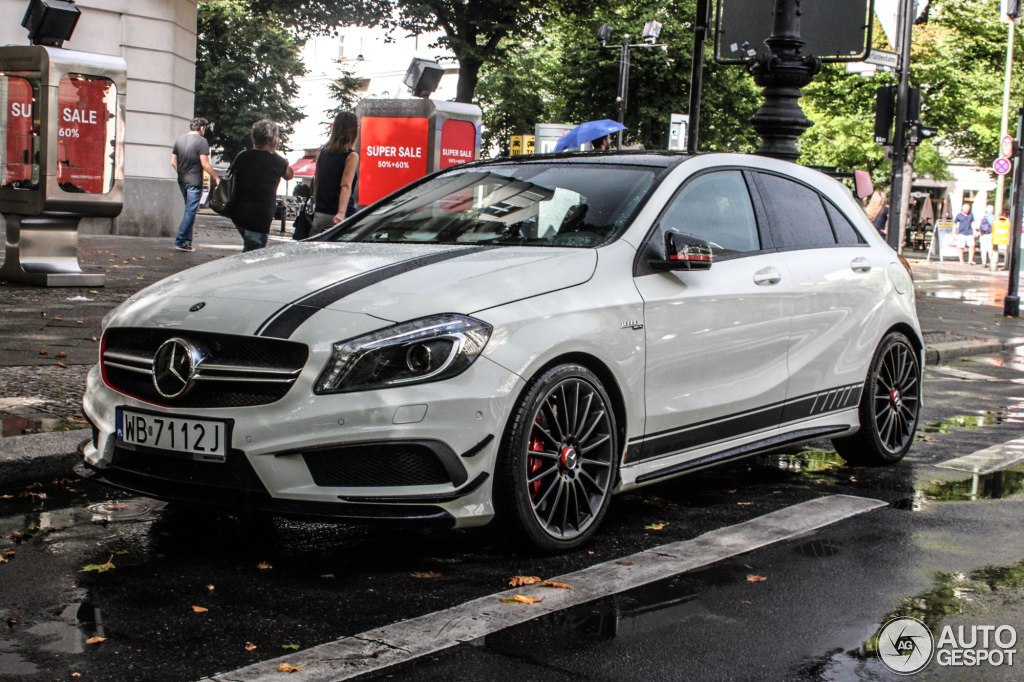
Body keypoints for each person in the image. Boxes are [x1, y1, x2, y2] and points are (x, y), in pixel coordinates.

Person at [229, 120, 294, 252]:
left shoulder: (242, 156)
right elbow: (290, 175)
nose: (278, 139)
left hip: (238, 213)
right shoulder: (277, 161)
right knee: (253, 256)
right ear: (270, 139)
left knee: (249, 249)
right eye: (276, 136)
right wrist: (275, 153)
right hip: (259, 217)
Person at [171, 117, 219, 252]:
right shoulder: (202, 141)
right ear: (202, 128)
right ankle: (181, 241)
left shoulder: (179, 140)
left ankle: (187, 241)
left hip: (182, 180)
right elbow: (205, 164)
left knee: (189, 211)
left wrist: (181, 173)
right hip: (194, 182)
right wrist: (215, 177)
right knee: (191, 211)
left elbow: (173, 162)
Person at [311, 111, 359, 236]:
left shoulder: (322, 152)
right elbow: (345, 185)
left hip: (321, 213)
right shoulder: (351, 156)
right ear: (353, 131)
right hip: (341, 216)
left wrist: (318, 205)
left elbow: (317, 180)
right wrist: (341, 213)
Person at [978, 204, 996, 268]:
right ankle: (992, 262)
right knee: (990, 248)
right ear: (992, 210)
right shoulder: (993, 217)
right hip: (990, 234)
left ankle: (984, 262)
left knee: (983, 249)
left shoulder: (983, 216)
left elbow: (979, 226)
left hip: (983, 234)